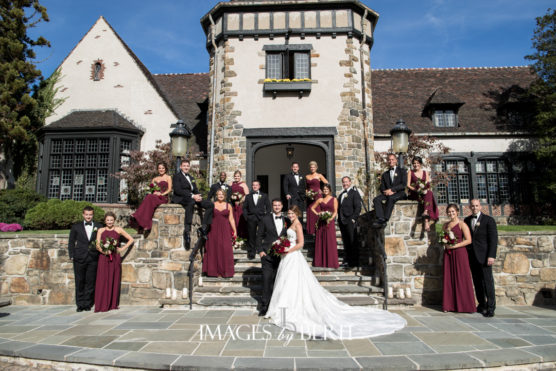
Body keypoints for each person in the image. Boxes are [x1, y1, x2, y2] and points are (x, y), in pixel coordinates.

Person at [265, 205, 406, 339]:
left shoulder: (298, 225)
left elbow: (301, 243)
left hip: (293, 256)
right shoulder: (289, 224)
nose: (290, 215)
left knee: (293, 282)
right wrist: (281, 247)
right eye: (289, 213)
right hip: (287, 257)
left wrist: (288, 250)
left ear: (297, 214)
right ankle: (283, 308)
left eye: (292, 214)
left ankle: (290, 309)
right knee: (286, 282)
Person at [464, 199, 498, 317]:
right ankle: (482, 304)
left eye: (476, 206)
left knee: (488, 282)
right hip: (472, 256)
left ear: (480, 207)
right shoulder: (467, 220)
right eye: (472, 206)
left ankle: (491, 307)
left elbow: (493, 240)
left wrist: (491, 255)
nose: (474, 208)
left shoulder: (489, 220)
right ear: (470, 207)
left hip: (485, 257)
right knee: (477, 282)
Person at [94, 212, 134, 312]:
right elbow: (97, 245)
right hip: (103, 257)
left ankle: (112, 303)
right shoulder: (100, 230)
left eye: (111, 220)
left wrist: (122, 249)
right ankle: (102, 304)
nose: (109, 222)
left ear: (114, 220)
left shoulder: (118, 229)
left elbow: (131, 239)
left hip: (115, 257)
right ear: (105, 221)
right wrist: (104, 251)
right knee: (102, 280)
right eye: (108, 220)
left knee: (113, 278)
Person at [256, 198, 289, 316]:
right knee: (266, 280)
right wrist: (260, 251)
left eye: (279, 205)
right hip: (268, 256)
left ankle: (279, 306)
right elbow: (259, 236)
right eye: (275, 205)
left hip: (282, 257)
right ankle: (265, 306)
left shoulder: (287, 220)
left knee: (280, 281)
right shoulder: (265, 219)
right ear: (272, 206)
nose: (277, 207)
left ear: (282, 206)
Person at [442, 204, 476, 313]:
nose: (451, 214)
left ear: (457, 212)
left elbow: (468, 240)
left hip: (460, 253)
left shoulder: (462, 224)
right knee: (449, 278)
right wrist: (445, 243)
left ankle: (465, 306)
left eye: (453, 211)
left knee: (461, 278)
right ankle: (449, 305)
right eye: (449, 212)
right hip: (448, 254)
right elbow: (443, 238)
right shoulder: (445, 225)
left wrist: (455, 246)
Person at [172, 159, 213, 247]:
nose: (186, 167)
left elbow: (195, 189)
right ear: (181, 167)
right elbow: (178, 190)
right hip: (181, 198)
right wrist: (192, 196)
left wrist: (198, 195)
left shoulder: (191, 178)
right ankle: (187, 230)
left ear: (189, 167)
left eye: (187, 166)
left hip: (193, 197)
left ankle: (204, 227)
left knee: (210, 205)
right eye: (184, 166)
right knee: (190, 202)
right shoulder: (176, 176)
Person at [68, 206, 102, 312]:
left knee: (90, 282)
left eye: (90, 214)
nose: (88, 216)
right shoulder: (76, 227)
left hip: (92, 257)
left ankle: (87, 303)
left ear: (93, 215)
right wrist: (72, 255)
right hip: (79, 257)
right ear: (83, 215)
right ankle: (80, 304)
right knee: (80, 281)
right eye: (86, 214)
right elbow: (71, 242)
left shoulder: (98, 226)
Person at [203, 190, 236, 277]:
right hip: (213, 229)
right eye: (219, 194)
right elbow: (206, 216)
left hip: (225, 229)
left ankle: (225, 271)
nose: (220, 196)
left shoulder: (228, 205)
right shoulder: (212, 204)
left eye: (222, 194)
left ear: (225, 196)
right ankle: (213, 271)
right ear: (216, 195)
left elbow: (231, 219)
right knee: (213, 248)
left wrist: (235, 230)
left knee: (225, 248)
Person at [131, 162, 172, 232]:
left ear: (165, 169)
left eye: (163, 168)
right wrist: (154, 192)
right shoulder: (154, 179)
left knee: (149, 197)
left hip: (163, 197)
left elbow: (169, 189)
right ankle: (146, 224)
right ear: (157, 169)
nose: (161, 169)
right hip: (154, 197)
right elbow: (151, 189)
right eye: (159, 168)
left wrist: (161, 194)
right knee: (149, 198)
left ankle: (137, 215)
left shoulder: (168, 177)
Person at [372, 154, 407, 228]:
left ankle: (385, 219)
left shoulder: (402, 171)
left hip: (400, 193)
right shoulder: (385, 174)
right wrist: (386, 192)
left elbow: (403, 184)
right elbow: (382, 187)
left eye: (392, 159)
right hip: (388, 193)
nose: (391, 161)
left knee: (391, 198)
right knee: (376, 199)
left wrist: (392, 190)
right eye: (389, 160)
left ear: (396, 160)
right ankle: (380, 218)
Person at [406, 156, 438, 232]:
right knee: (428, 195)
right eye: (414, 163)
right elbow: (408, 185)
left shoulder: (425, 172)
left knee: (429, 192)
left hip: (423, 192)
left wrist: (424, 189)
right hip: (414, 193)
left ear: (420, 164)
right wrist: (416, 189)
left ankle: (426, 216)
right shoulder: (410, 172)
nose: (415, 164)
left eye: (417, 163)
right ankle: (426, 215)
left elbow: (428, 184)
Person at [311, 184, 339, 268]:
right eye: (324, 189)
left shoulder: (334, 199)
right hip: (321, 223)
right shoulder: (320, 200)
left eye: (327, 189)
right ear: (322, 191)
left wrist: (331, 219)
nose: (325, 190)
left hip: (329, 223)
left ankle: (331, 262)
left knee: (330, 241)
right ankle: (320, 262)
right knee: (321, 240)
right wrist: (318, 214)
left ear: (330, 190)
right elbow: (312, 208)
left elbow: (335, 211)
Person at [243, 180, 271, 259]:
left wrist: (267, 217)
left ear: (259, 186)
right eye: (253, 185)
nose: (255, 186)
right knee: (251, 235)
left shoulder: (264, 195)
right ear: (252, 186)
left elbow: (268, 207)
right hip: (251, 218)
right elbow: (244, 208)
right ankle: (252, 252)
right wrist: (246, 217)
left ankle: (263, 250)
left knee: (261, 235)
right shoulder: (248, 196)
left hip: (261, 218)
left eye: (256, 185)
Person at [338, 176, 362, 268]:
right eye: (343, 182)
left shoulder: (354, 193)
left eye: (346, 182)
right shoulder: (341, 195)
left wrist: (353, 218)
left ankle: (354, 262)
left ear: (350, 182)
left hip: (350, 221)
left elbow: (358, 207)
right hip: (342, 221)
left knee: (352, 241)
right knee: (346, 242)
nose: (345, 184)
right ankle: (347, 260)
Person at [305, 161, 328, 235]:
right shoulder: (307, 176)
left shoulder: (319, 175)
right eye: (311, 167)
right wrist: (307, 193)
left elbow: (327, 184)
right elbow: (306, 187)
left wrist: (322, 190)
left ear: (316, 167)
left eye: (314, 167)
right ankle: (311, 230)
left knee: (317, 211)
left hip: (318, 196)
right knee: (310, 212)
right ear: (309, 168)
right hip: (310, 197)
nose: (312, 168)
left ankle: (318, 229)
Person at [230, 170, 249, 238]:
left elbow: (247, 195)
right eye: (235, 176)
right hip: (232, 205)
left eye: (238, 176)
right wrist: (231, 198)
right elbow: (228, 193)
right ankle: (232, 236)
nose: (236, 177)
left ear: (240, 177)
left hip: (240, 206)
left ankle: (241, 237)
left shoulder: (244, 184)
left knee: (239, 220)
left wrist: (240, 201)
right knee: (232, 220)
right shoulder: (231, 183)